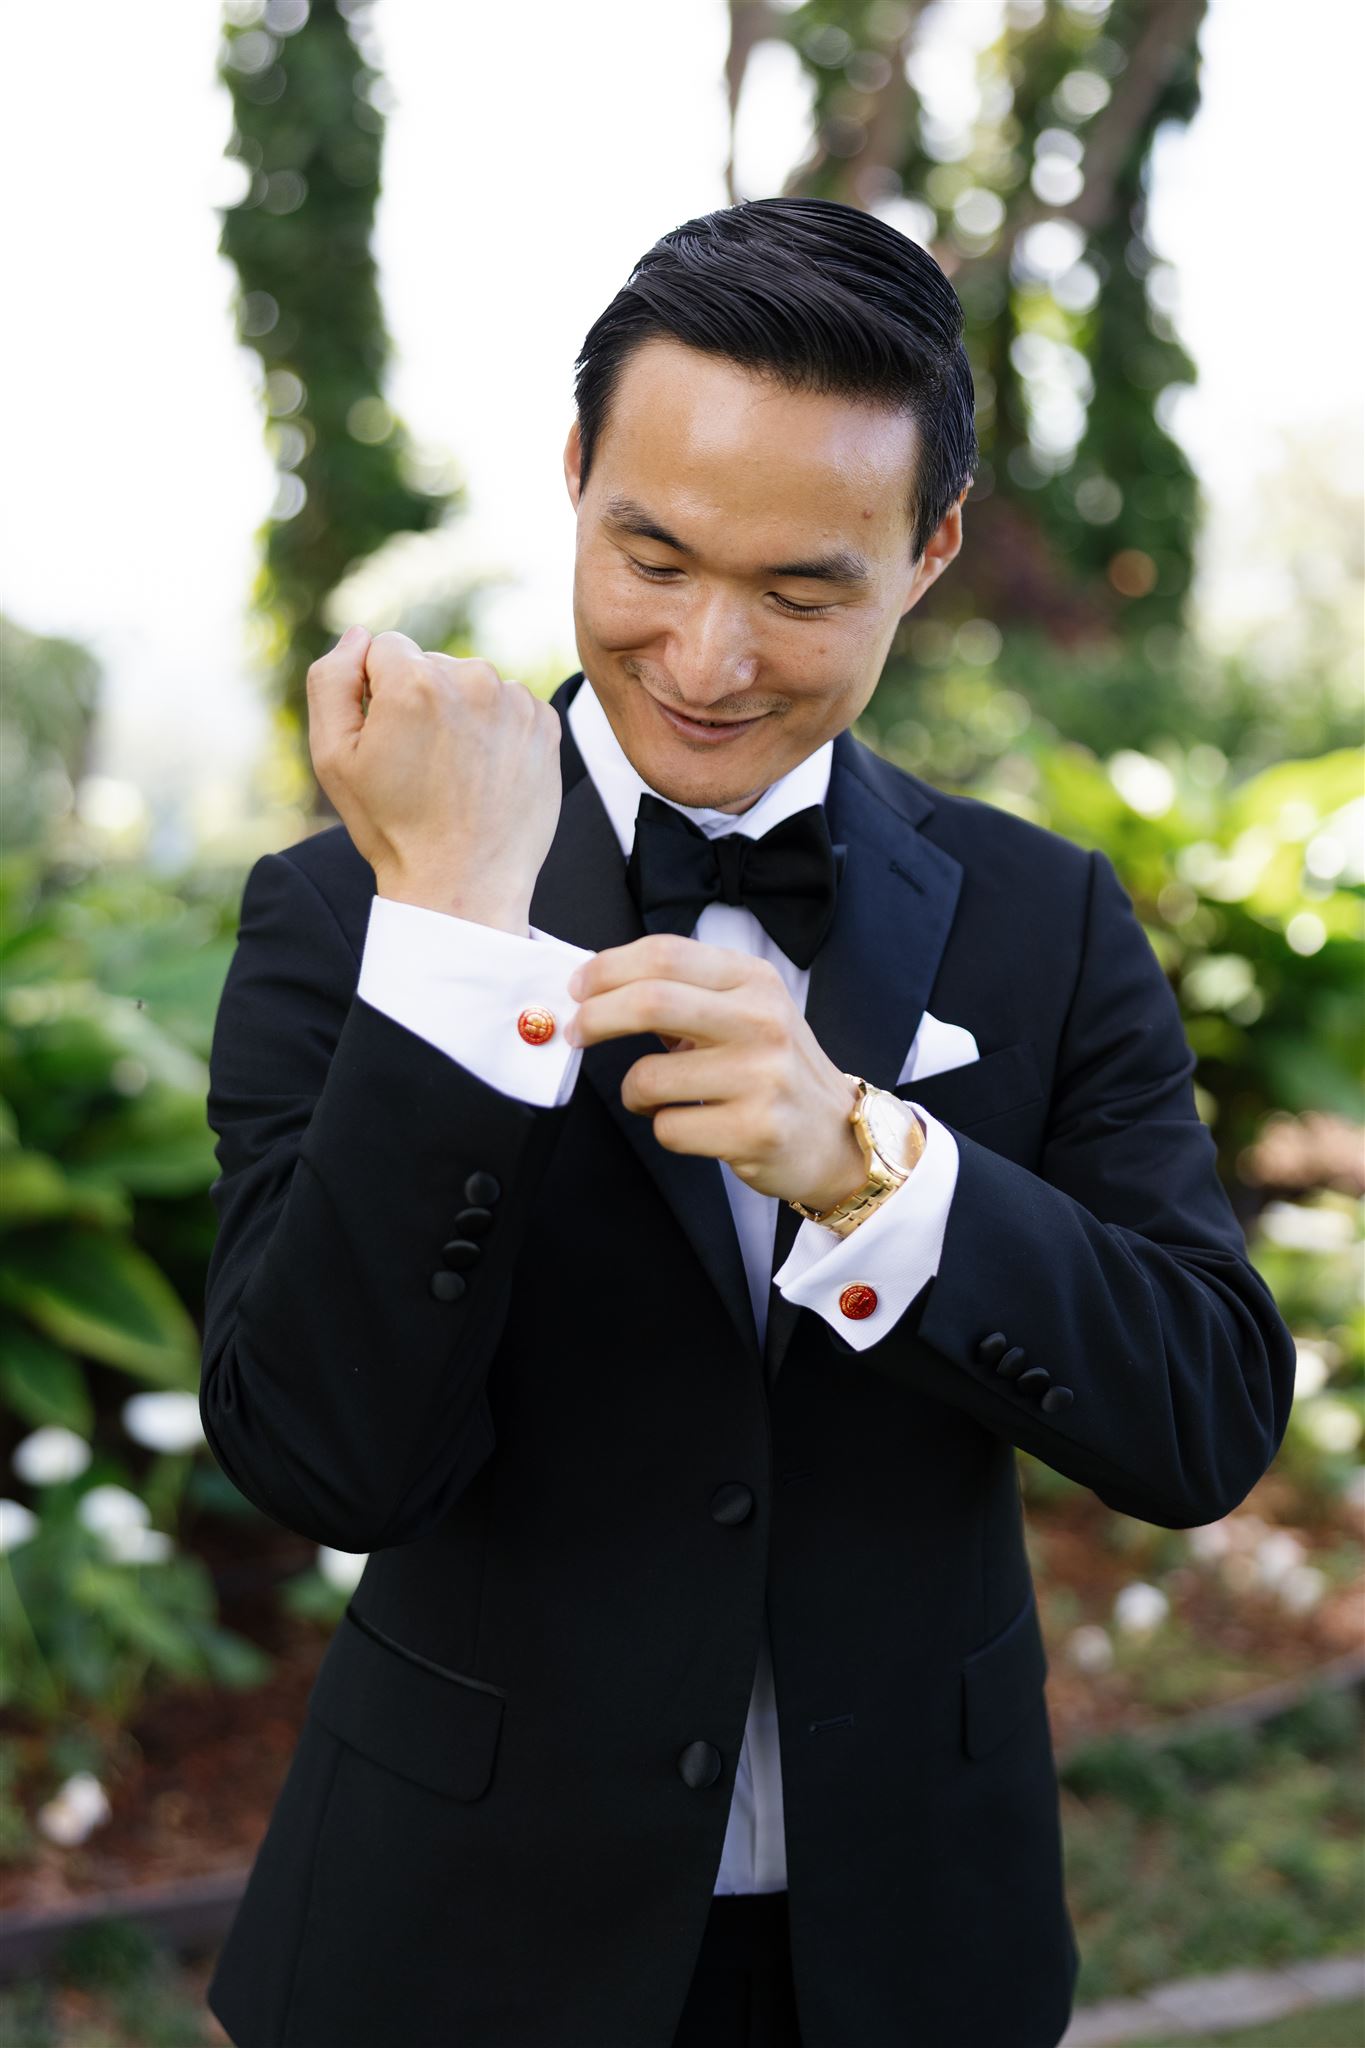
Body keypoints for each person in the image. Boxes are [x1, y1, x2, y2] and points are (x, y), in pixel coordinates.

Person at [199, 197, 1295, 2048]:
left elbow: (1200, 1420)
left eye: (803, 591)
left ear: (928, 551)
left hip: (913, 1949)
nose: (709, 658)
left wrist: (870, 1164)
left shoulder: (1047, 917)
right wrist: (459, 942)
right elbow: (321, 1464)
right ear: (571, 476)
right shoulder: (345, 909)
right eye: (651, 558)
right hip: (453, 1950)